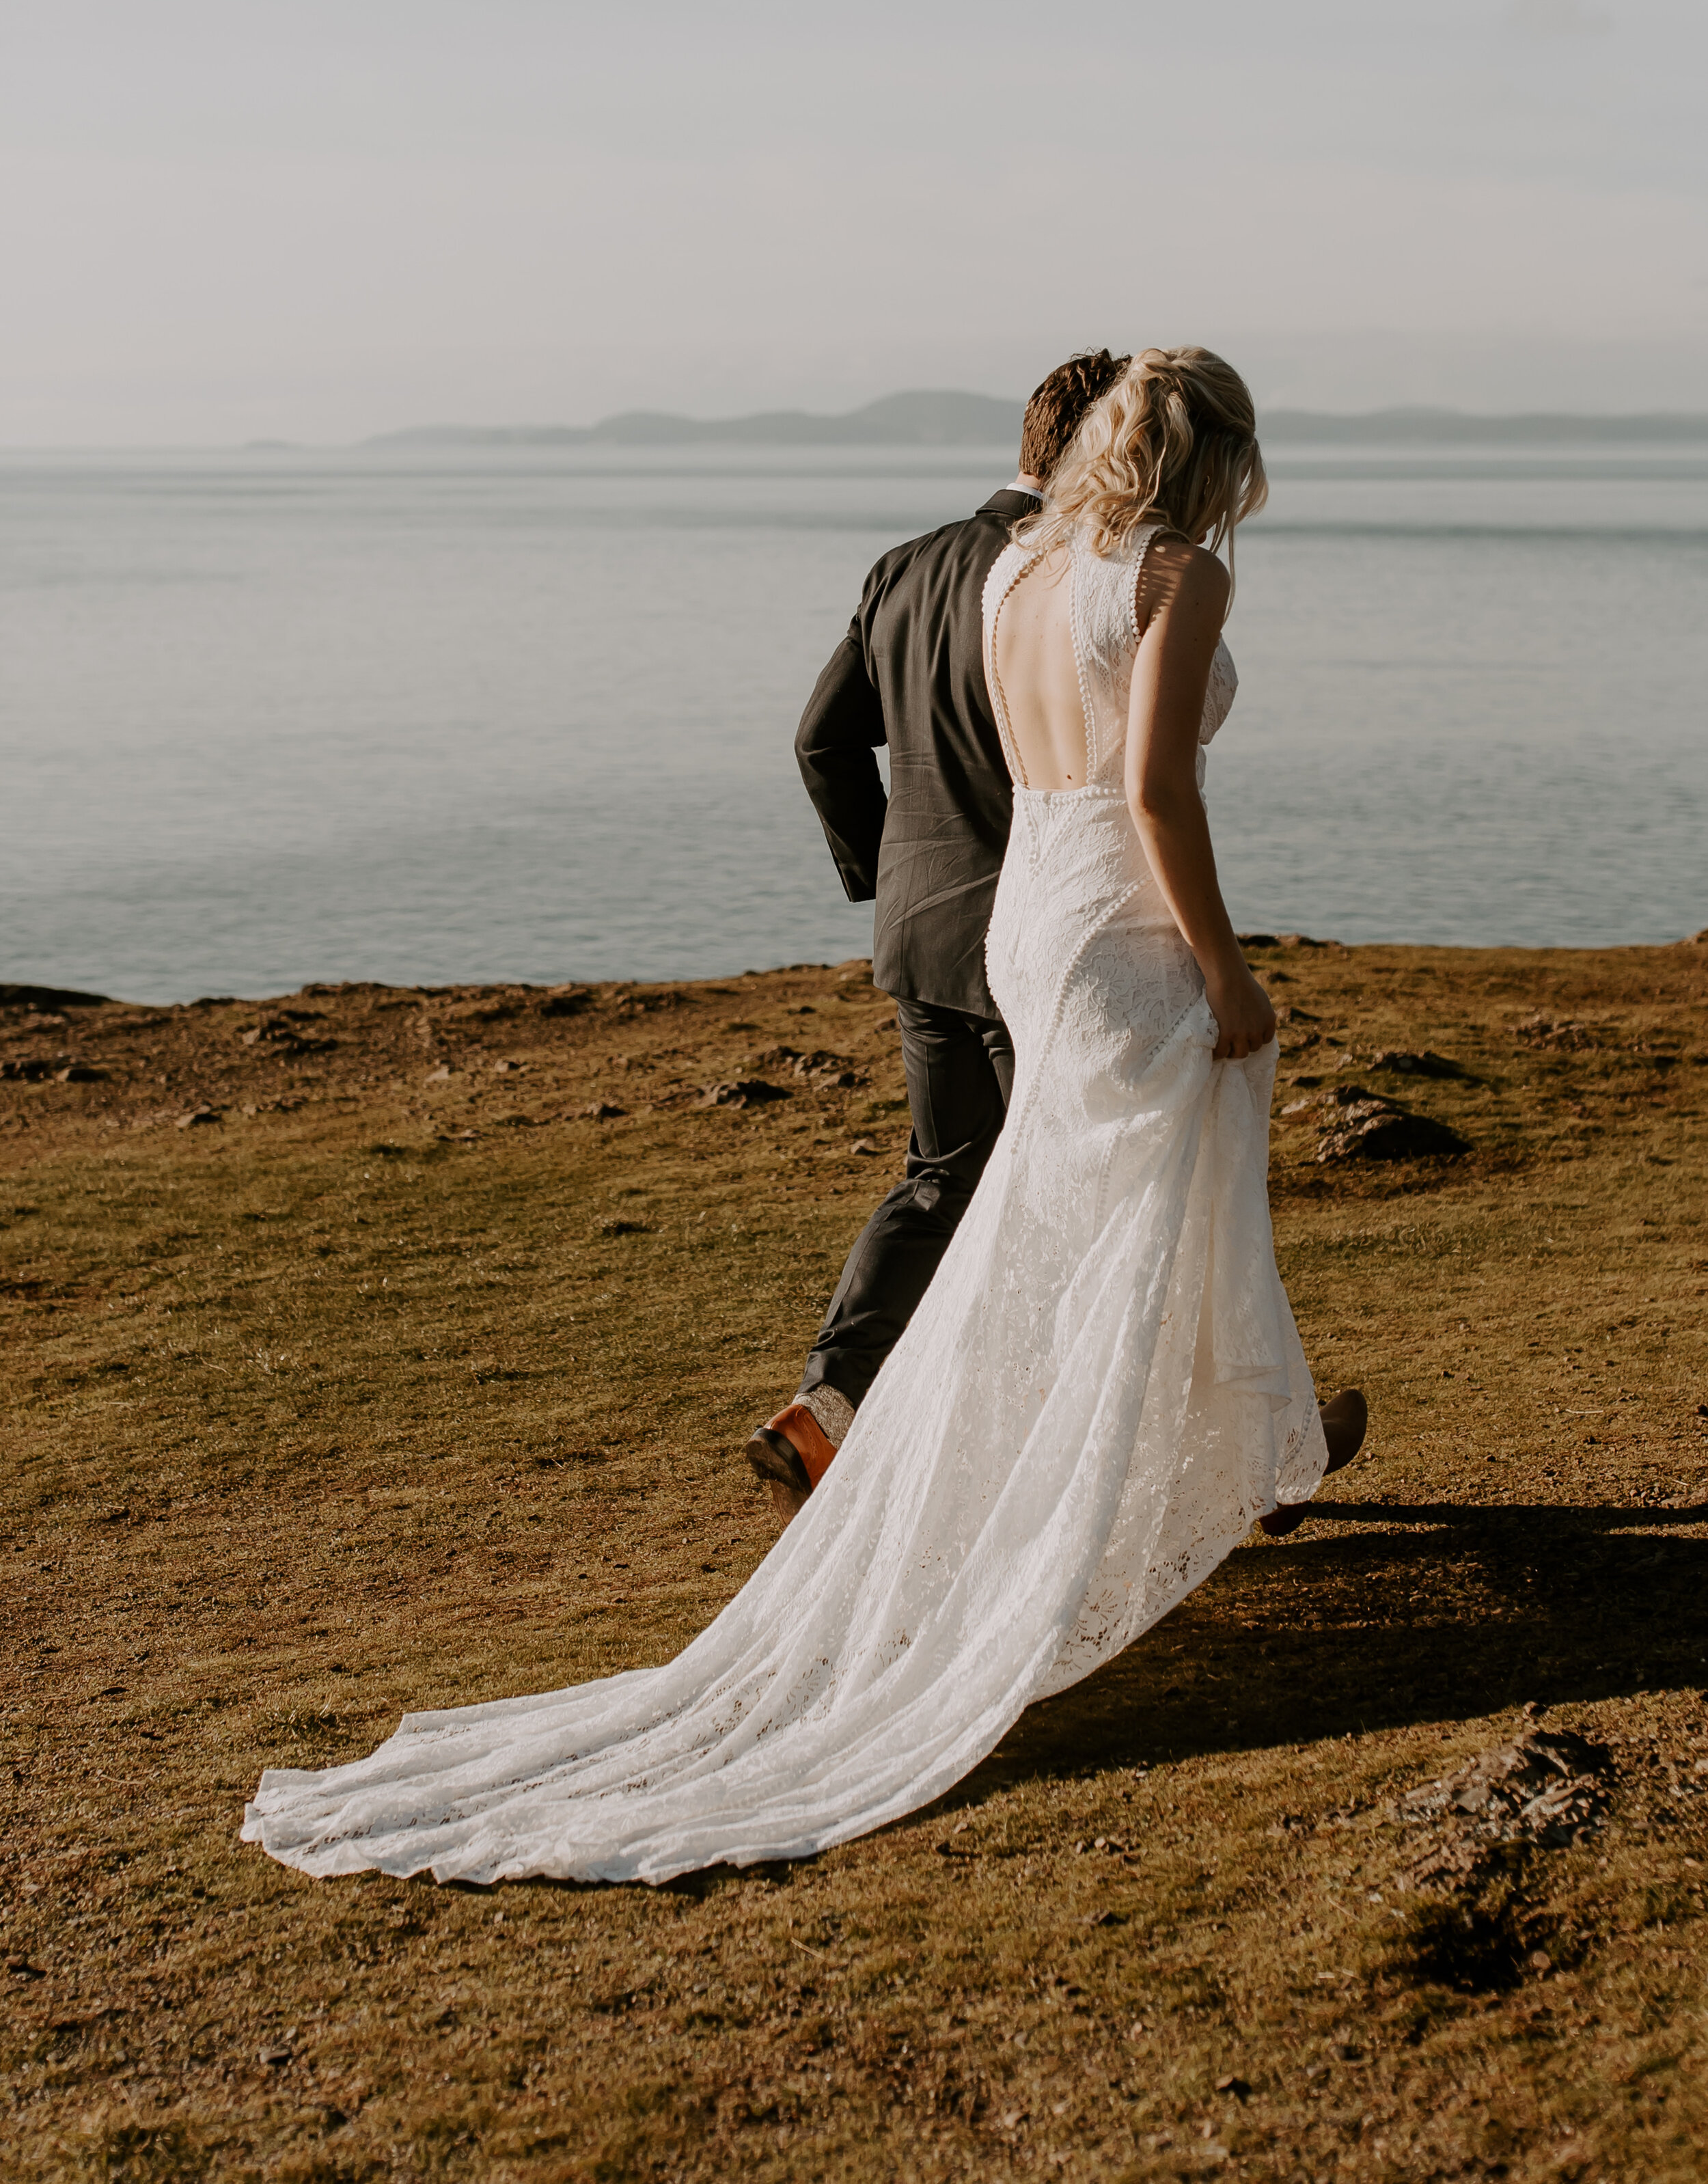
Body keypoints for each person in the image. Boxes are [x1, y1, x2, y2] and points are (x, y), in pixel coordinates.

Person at [244, 343, 1367, 1890]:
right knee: (1109, 1228)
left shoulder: (1018, 570)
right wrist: (1231, 980)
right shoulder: (1173, 579)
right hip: (1113, 931)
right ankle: (1097, 1504)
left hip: (1021, 930)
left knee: (1049, 1218)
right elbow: (1158, 796)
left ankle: (1225, 1454)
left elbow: (986, 765)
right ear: (1220, 458)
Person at [745, 350, 1132, 1517]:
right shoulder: (1064, 577)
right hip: (1036, 931)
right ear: (1095, 452)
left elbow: (821, 739)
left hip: (920, 930)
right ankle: (1211, 1442)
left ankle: (824, 1405)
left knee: (942, 1174)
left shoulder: (905, 567)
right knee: (1103, 1184)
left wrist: (889, 873)